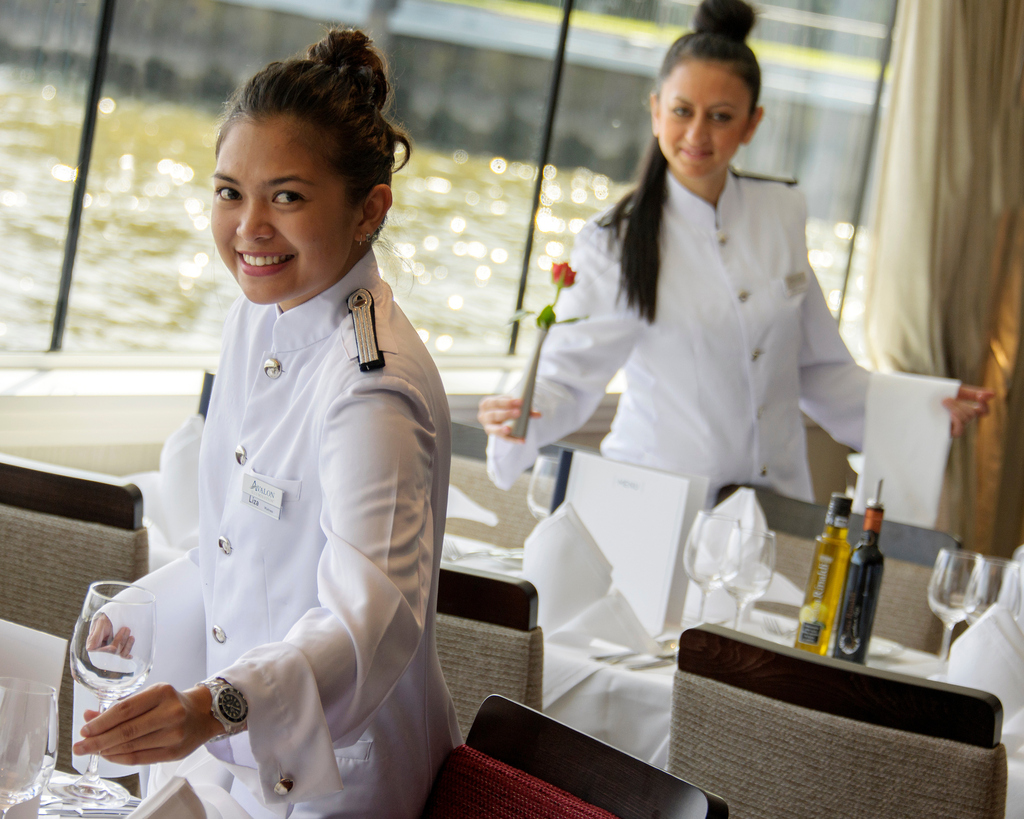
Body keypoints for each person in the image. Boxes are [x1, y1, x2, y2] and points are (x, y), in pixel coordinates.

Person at [72, 29, 460, 819]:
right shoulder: (256, 320)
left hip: (337, 784)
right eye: (229, 192)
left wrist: (212, 705)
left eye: (286, 197)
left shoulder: (372, 388)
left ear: (369, 209)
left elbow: (366, 621)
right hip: (233, 759)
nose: (249, 226)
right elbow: (236, 549)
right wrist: (137, 616)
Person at [480, 0, 991, 503]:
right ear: (656, 111)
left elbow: (816, 369)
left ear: (751, 124)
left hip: (777, 507)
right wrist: (519, 412)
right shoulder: (613, 241)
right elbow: (568, 377)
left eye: (721, 116)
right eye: (682, 111)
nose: (697, 134)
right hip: (657, 505)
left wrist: (922, 409)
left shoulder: (782, 212)